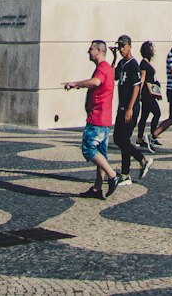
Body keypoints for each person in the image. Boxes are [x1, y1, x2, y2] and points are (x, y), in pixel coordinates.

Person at [63, 40, 119, 198]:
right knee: (101, 153)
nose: (88, 51)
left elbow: (96, 82)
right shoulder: (107, 67)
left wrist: (76, 84)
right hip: (105, 118)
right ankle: (97, 188)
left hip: (97, 117)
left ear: (99, 51)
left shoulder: (101, 68)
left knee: (88, 149)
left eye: (91, 49)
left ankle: (113, 175)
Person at [110, 36, 152, 184]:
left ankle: (126, 174)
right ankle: (142, 160)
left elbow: (136, 87)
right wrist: (114, 58)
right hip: (122, 107)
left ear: (129, 46)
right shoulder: (122, 63)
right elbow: (112, 76)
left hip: (130, 107)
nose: (121, 49)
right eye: (119, 46)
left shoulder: (133, 65)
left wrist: (130, 108)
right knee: (117, 138)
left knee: (123, 139)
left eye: (123, 46)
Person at [136, 40, 162, 149]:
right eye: (151, 48)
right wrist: (139, 93)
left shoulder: (148, 62)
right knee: (157, 112)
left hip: (150, 93)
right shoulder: (143, 63)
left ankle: (140, 138)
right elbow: (142, 79)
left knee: (144, 115)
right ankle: (152, 136)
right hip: (147, 94)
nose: (153, 50)